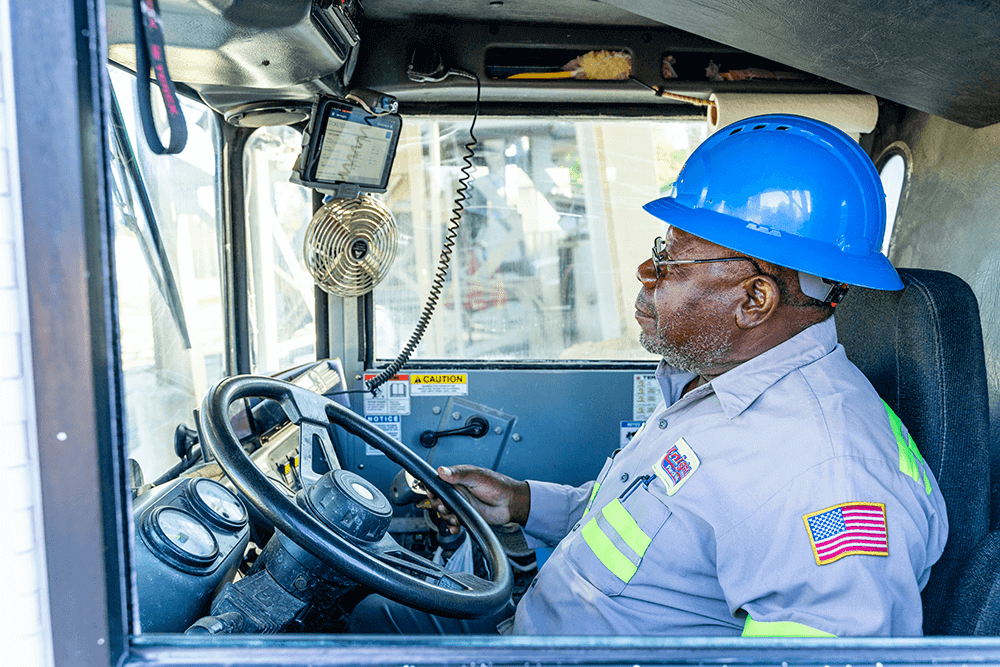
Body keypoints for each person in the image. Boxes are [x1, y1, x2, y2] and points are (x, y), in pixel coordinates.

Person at [350, 114, 948, 637]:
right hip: (532, 625)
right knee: (364, 615)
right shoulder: (723, 384)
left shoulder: (825, 473)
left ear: (754, 299)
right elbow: (658, 521)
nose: (646, 270)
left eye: (671, 260)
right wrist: (525, 504)